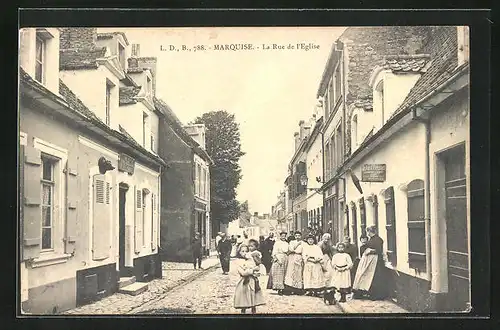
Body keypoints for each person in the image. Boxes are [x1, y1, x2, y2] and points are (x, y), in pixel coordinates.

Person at [352, 226, 389, 300]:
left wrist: (370, 251)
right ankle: (371, 294)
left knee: (376, 278)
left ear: (371, 232)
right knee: (370, 278)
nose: (368, 233)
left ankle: (378, 295)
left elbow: (379, 250)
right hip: (370, 261)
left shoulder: (378, 240)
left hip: (376, 262)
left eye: (368, 232)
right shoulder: (371, 239)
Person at [233, 241, 265, 314]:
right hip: (243, 282)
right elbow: (243, 273)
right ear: (239, 252)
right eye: (242, 251)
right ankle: (243, 312)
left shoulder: (251, 260)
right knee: (244, 297)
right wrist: (252, 270)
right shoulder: (238, 261)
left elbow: (257, 267)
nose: (244, 253)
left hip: (252, 281)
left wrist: (256, 272)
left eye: (246, 251)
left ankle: (253, 311)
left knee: (253, 295)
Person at [284, 231, 305, 295]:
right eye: (296, 236)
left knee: (298, 273)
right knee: (291, 272)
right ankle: (289, 288)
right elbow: (291, 249)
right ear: (294, 236)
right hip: (292, 257)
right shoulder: (292, 242)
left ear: (301, 236)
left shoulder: (303, 243)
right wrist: (298, 244)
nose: (297, 237)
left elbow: (304, 251)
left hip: (299, 257)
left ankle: (298, 289)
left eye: (299, 236)